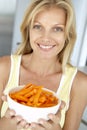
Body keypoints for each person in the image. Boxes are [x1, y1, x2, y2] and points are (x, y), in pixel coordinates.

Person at [0, 0, 87, 130]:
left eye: (57, 29)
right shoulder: (4, 68)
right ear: (28, 30)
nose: (46, 37)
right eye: (38, 27)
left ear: (67, 34)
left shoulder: (80, 83)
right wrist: (5, 125)